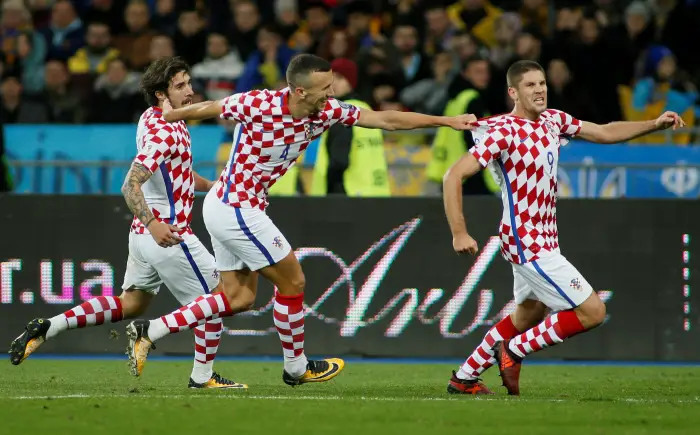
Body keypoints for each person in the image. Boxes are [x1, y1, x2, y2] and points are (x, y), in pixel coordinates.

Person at [124, 53, 475, 387]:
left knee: (238, 298)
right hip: (235, 206)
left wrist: (446, 121)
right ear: (300, 90)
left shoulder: (325, 112)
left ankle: (150, 331)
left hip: (232, 205)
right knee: (293, 281)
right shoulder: (259, 104)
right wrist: (168, 116)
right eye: (326, 88)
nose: (332, 93)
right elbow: (211, 107)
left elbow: (386, 119)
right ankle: (296, 367)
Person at [442, 59, 685, 396]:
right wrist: (459, 231)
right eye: (530, 85)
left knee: (528, 313)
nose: (539, 89)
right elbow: (453, 175)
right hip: (526, 240)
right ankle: (513, 351)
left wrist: (653, 124)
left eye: (542, 83)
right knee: (593, 311)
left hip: (545, 239)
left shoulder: (554, 120)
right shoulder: (503, 132)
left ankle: (464, 377)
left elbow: (603, 131)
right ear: (513, 92)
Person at [8, 57, 246, 390]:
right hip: (167, 234)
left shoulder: (152, 119)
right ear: (161, 93)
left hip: (141, 236)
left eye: (190, 82)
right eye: (180, 86)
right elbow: (130, 184)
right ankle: (200, 376)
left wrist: (213, 185)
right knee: (217, 299)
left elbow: (176, 172)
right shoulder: (165, 133)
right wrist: (154, 224)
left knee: (131, 303)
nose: (190, 91)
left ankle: (50, 326)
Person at [311, 57, 390, 197]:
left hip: (347, 193)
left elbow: (339, 161)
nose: (333, 84)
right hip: (376, 192)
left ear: (351, 82)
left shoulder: (341, 113)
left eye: (340, 78)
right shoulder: (366, 109)